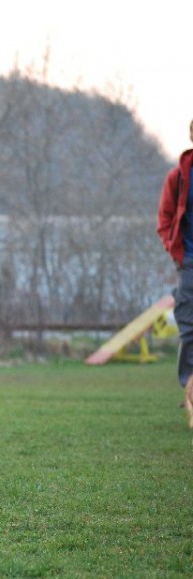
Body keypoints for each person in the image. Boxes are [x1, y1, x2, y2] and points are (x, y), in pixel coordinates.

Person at [157, 119, 193, 395]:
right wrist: (175, 251)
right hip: (189, 262)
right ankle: (190, 390)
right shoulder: (179, 177)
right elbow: (165, 218)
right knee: (189, 328)